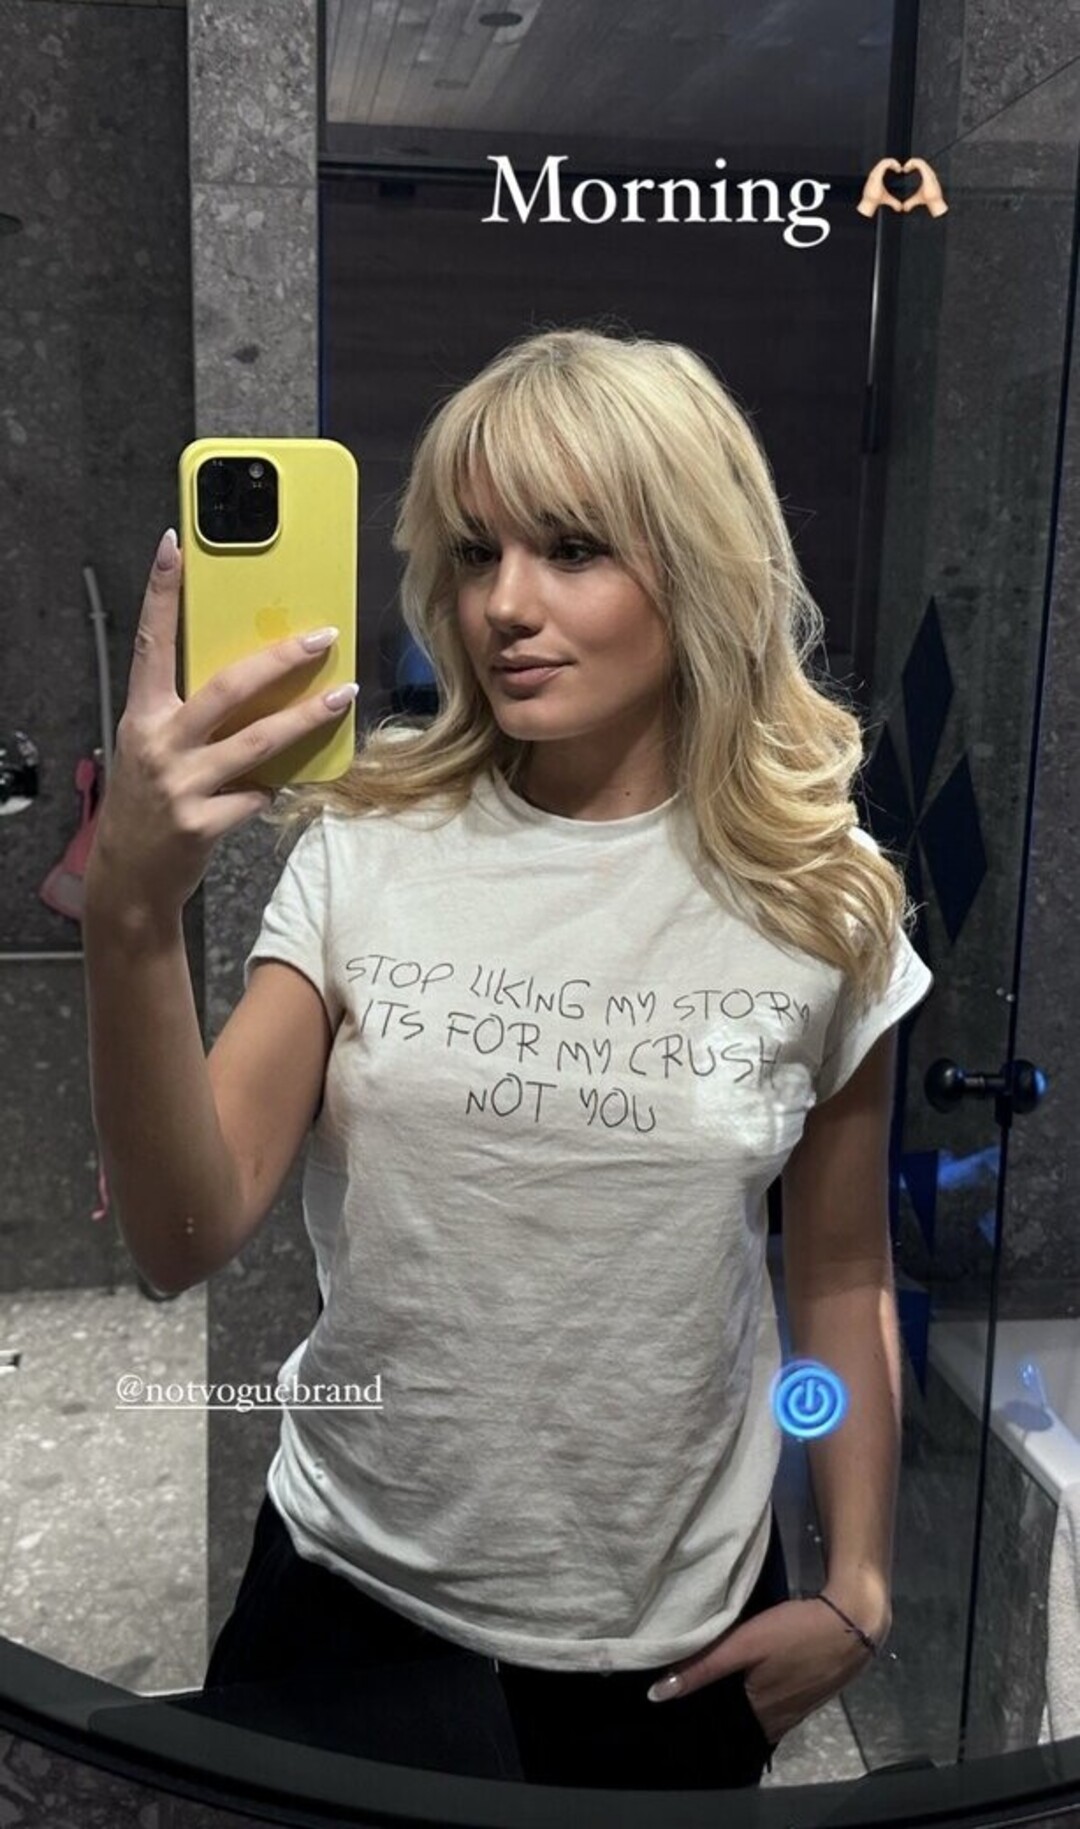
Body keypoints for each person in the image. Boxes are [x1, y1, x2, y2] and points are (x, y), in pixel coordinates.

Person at [84, 322, 934, 1790]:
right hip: (345, 1600)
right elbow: (182, 1235)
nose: (505, 606)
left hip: (670, 1651)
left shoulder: (821, 897)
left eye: (573, 548)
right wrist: (134, 911)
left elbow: (842, 1270)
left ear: (701, 564)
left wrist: (858, 1580)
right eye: (477, 554)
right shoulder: (371, 842)